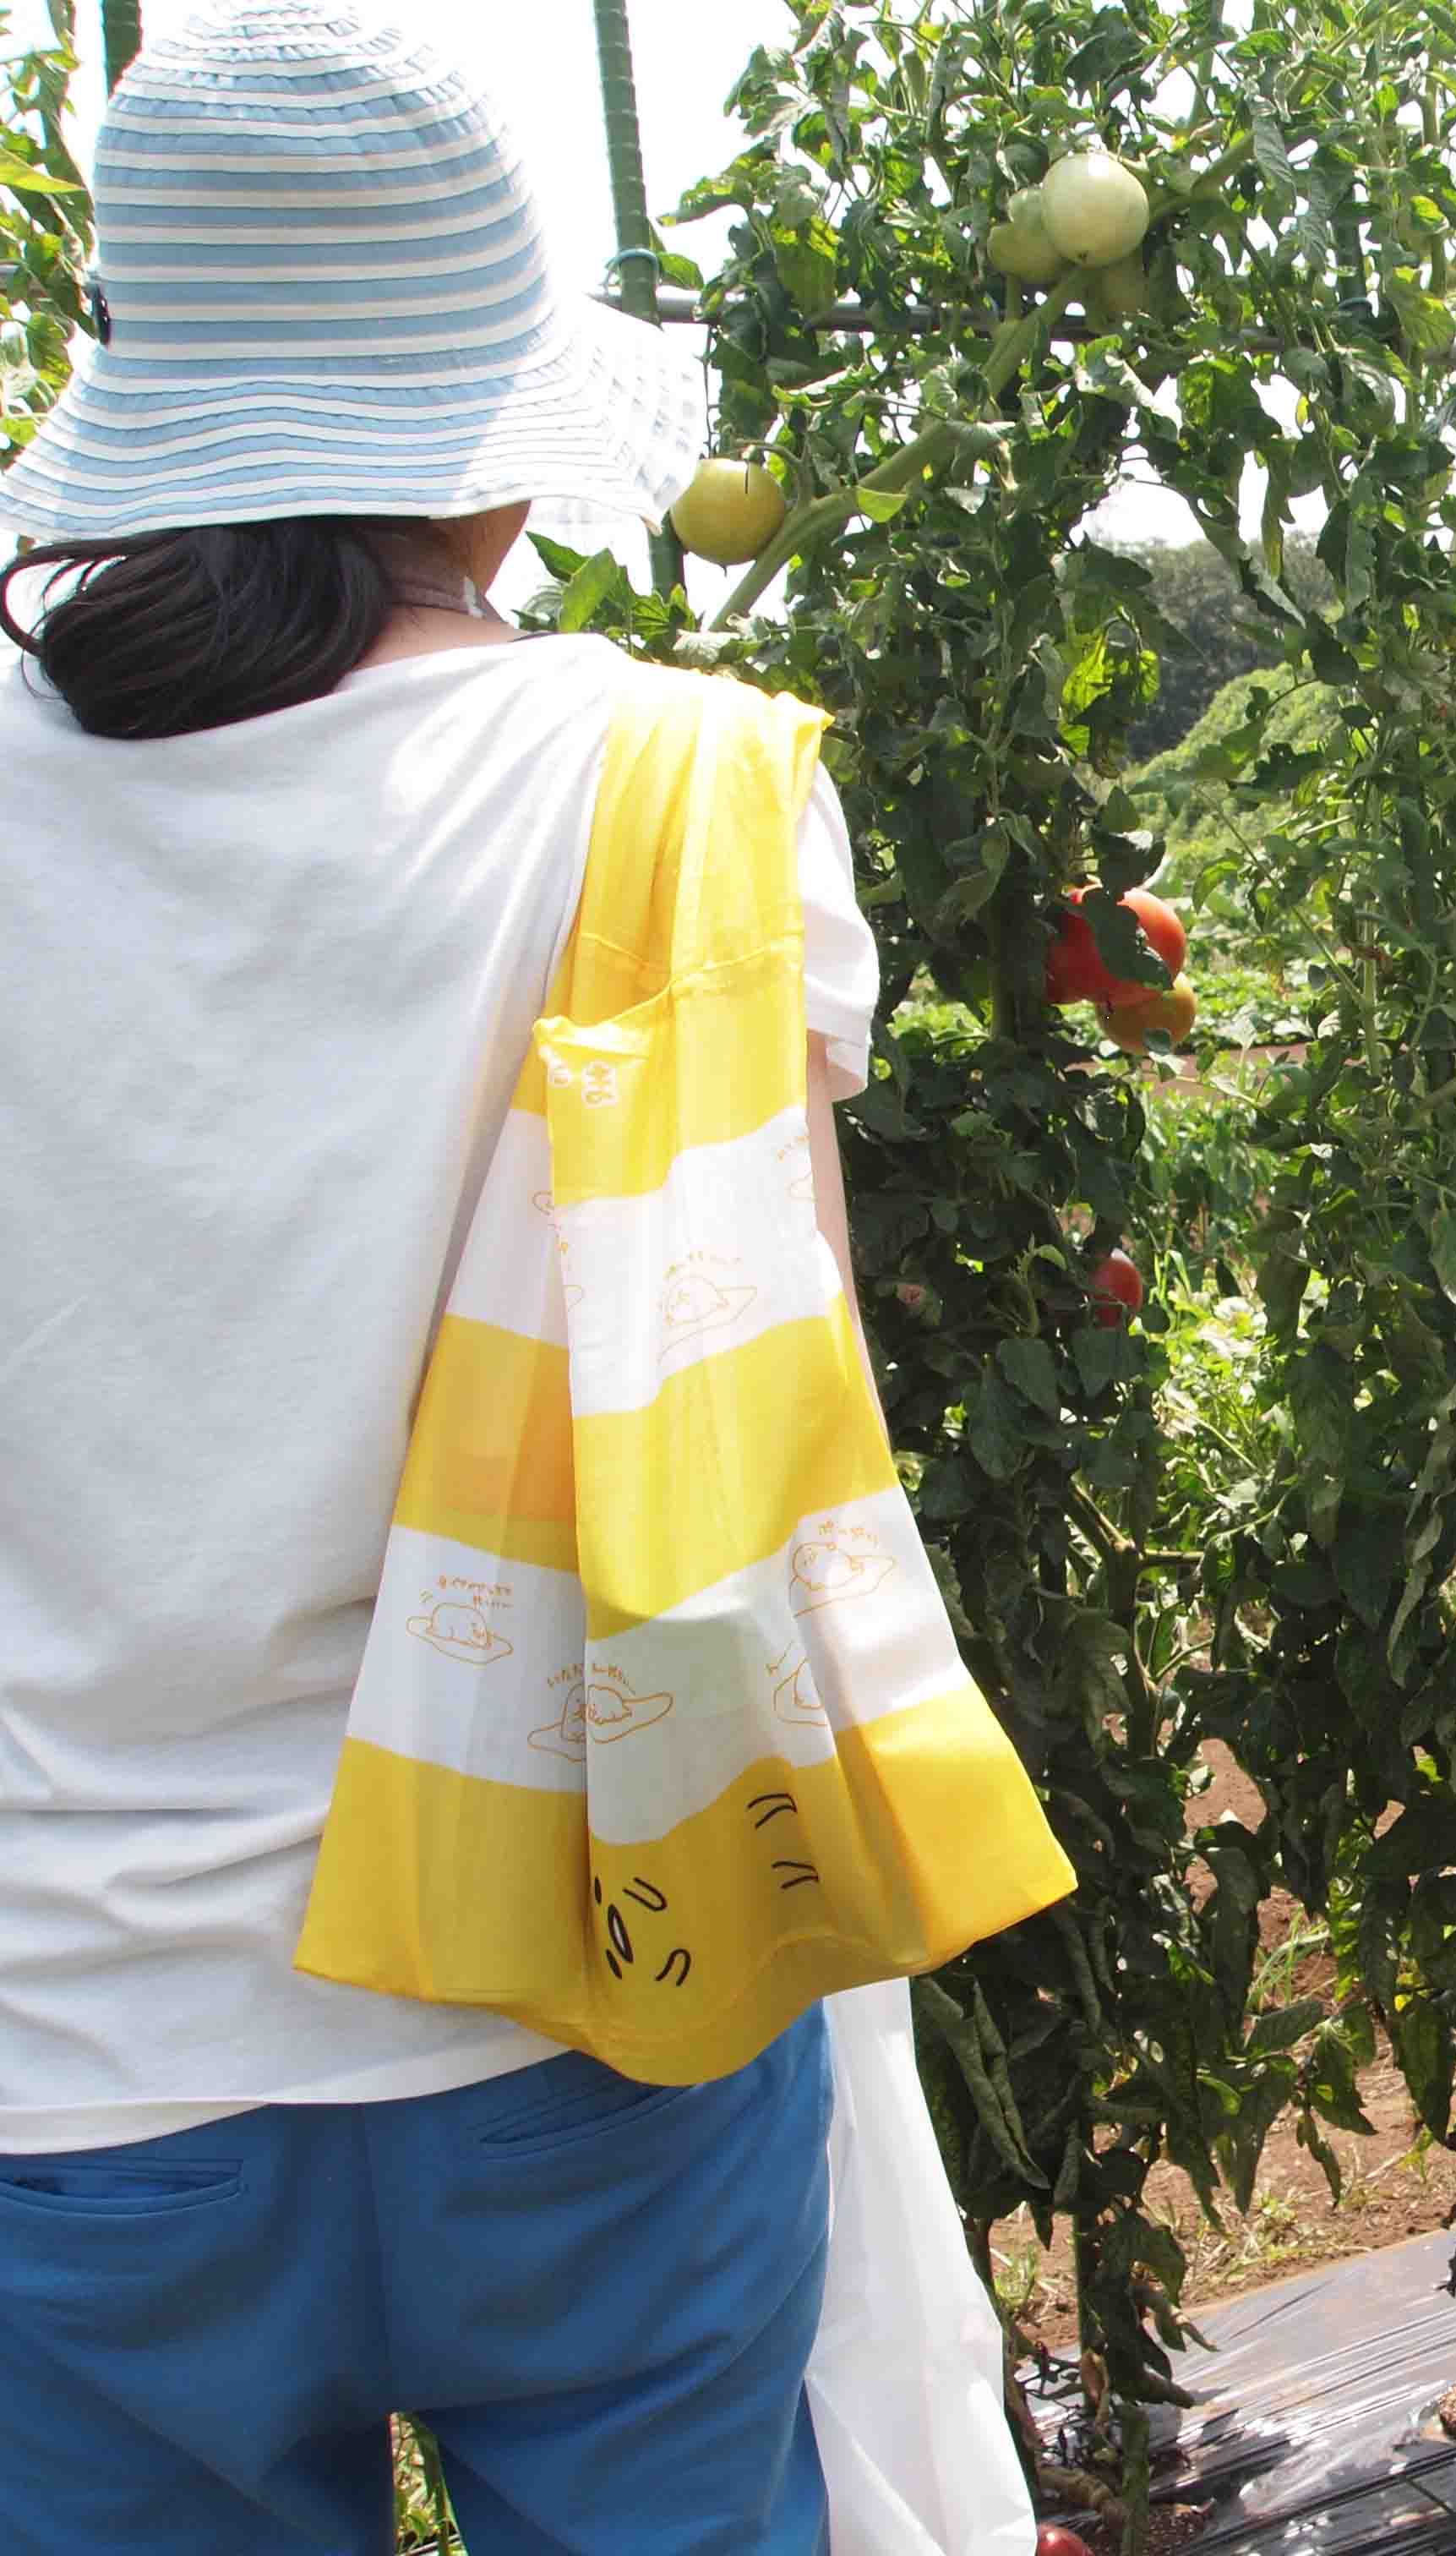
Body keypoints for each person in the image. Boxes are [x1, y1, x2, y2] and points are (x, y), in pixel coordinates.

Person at [0, 10, 875, 2547]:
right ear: (491, 448)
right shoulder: (678, 783)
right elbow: (782, 1377)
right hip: (588, 1977)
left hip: (74, 2044)